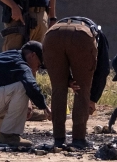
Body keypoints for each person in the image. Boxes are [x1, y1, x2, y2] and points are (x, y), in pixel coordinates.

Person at [43, 16, 110, 150]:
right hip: (82, 36)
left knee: (58, 89)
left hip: (52, 34)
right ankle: (78, 139)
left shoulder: (60, 26)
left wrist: (66, 80)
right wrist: (92, 98)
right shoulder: (99, 35)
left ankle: (58, 139)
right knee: (82, 89)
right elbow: (103, 69)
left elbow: (59, 66)